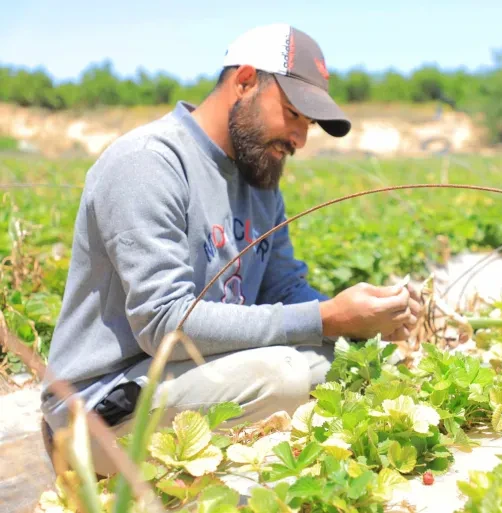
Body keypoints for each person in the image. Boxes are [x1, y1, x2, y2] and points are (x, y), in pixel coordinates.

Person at [39, 23, 422, 477]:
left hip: (195, 380)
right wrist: (326, 319)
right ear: (244, 82)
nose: (301, 138)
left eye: (310, 123)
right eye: (293, 113)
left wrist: (367, 322)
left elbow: (284, 287)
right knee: (283, 374)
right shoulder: (148, 162)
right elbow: (164, 326)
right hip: (102, 405)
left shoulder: (258, 178)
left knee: (358, 363)